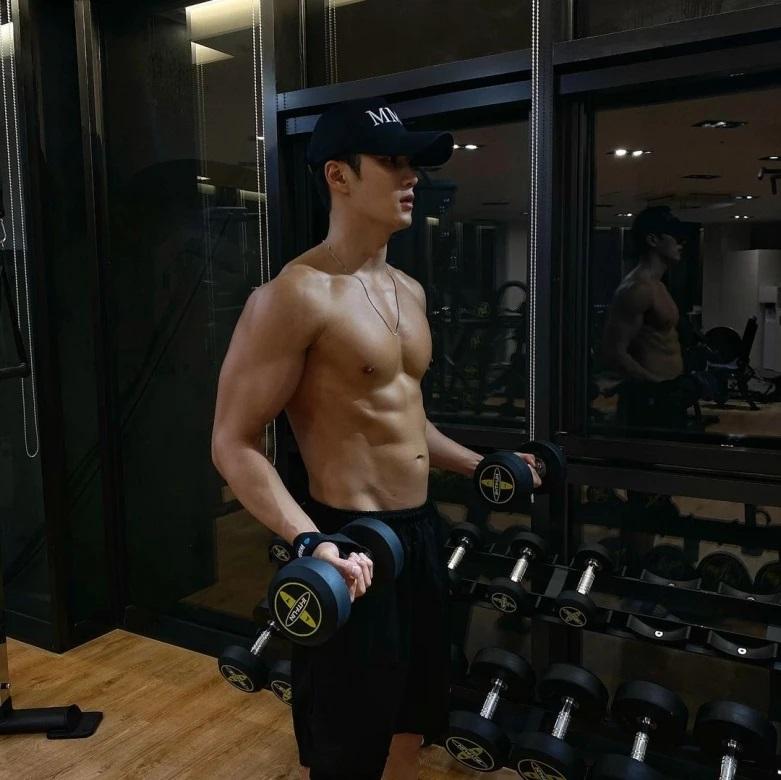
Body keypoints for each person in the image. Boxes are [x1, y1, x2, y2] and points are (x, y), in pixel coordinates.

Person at [211, 96, 540, 780]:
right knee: (345, 743)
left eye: (412, 163)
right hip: (346, 547)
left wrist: (482, 464)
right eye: (392, 161)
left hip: (418, 535)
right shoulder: (295, 295)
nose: (412, 176)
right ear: (339, 175)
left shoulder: (408, 291)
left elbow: (405, 420)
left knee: (413, 720)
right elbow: (233, 442)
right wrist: (308, 540)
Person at [601, 205, 696, 429]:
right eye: (675, 237)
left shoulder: (658, 286)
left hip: (667, 395)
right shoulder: (637, 288)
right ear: (653, 240)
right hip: (648, 399)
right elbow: (613, 352)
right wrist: (654, 386)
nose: (681, 243)